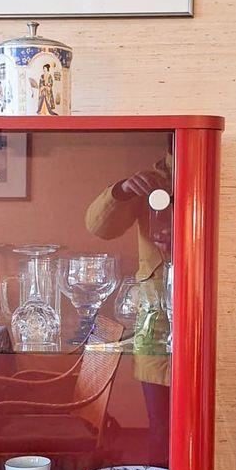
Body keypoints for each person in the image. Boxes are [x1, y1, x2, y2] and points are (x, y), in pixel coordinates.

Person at [84, 153, 173, 432]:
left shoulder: (203, 176)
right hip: (156, 325)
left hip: (202, 314)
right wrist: (122, 191)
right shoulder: (152, 180)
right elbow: (99, 227)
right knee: (160, 428)